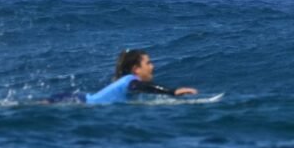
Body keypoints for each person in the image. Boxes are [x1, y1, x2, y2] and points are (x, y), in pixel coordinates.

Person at [48, 49, 197, 104]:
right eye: (148, 63)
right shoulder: (131, 81)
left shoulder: (125, 81)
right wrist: (172, 92)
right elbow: (141, 87)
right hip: (74, 101)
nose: (153, 66)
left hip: (77, 99)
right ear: (136, 69)